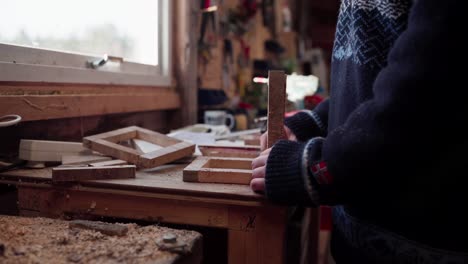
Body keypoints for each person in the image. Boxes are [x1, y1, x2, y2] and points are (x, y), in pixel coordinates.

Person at [251, 0, 467, 263]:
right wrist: (313, 122)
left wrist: (316, 167)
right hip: (362, 239)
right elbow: (377, 80)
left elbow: (425, 92)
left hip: (421, 241)